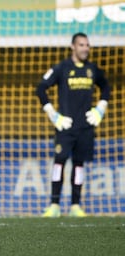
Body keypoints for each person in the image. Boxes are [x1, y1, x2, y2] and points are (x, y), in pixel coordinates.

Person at [37, 32, 110, 217]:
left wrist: (100, 108)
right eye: (81, 45)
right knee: (59, 163)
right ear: (73, 46)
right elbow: (41, 88)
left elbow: (106, 87)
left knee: (79, 165)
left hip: (85, 127)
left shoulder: (93, 70)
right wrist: (53, 115)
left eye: (87, 45)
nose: (85, 48)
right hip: (65, 126)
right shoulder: (62, 68)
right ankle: (54, 205)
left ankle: (75, 206)